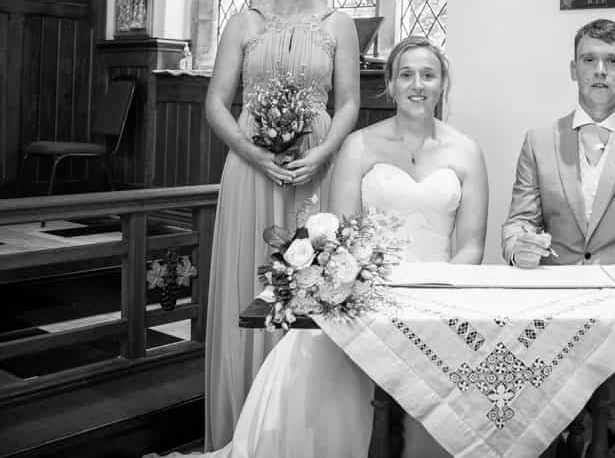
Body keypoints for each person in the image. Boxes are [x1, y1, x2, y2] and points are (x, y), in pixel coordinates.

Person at [165, 36, 487, 458]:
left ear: (443, 83)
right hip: (370, 296)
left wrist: (434, 299)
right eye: (406, 74)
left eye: (429, 75)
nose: (417, 85)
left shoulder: (467, 151)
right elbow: (342, 235)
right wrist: (368, 293)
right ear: (389, 84)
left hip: (437, 298)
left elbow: (470, 246)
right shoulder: (359, 146)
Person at [203, 0, 361, 449]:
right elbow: (216, 104)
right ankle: (248, 425)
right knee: (254, 282)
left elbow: (350, 103)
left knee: (315, 285)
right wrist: (252, 153)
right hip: (251, 169)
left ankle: (303, 427)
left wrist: (323, 152)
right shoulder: (243, 21)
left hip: (314, 165)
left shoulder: (338, 23)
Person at [502, 18, 615, 457]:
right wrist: (517, 247)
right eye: (589, 60)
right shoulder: (540, 140)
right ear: (573, 68)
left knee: (614, 391)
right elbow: (518, 222)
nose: (600, 70)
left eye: (612, 61)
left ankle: (603, 439)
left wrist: (610, 285)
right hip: (554, 302)